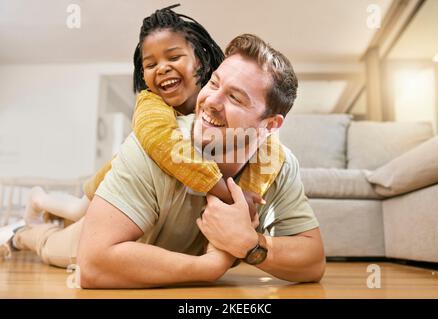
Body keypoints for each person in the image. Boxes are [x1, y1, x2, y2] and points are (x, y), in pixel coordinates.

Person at [76, 34, 325, 288]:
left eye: (235, 98)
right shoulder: (157, 144)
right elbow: (91, 265)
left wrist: (251, 244)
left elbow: (314, 262)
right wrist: (209, 267)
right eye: (214, 84)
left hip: (134, 250)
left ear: (270, 125)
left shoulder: (278, 164)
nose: (211, 102)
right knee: (51, 244)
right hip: (96, 231)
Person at [23, 4, 283, 228]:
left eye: (174, 56)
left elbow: (266, 141)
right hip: (114, 179)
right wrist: (228, 194)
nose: (162, 68)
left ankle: (47, 219)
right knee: (77, 212)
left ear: (201, 62)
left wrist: (248, 194)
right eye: (150, 64)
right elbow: (164, 143)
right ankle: (39, 199)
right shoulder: (150, 102)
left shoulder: (215, 94)